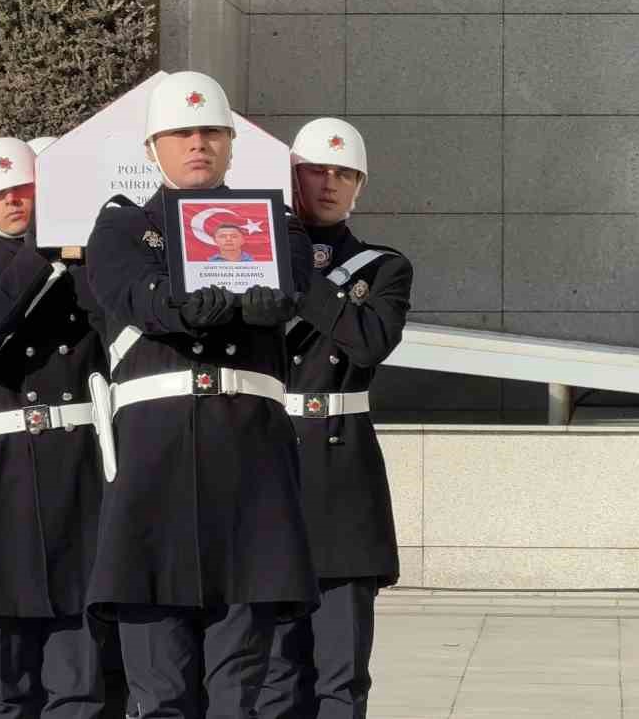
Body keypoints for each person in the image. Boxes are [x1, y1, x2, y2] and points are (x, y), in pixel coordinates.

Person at [85, 70, 318, 718]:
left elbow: (293, 288)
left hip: (248, 474)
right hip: (154, 480)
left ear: (232, 145)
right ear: (153, 149)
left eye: (211, 132)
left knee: (238, 695)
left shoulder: (280, 229)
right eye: (181, 133)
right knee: (159, 696)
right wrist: (181, 304)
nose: (198, 144)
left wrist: (274, 301)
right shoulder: (122, 230)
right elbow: (133, 296)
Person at [0, 136, 115, 718]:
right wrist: (37, 256)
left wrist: (74, 255)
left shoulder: (86, 265)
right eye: (0, 194)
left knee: (79, 663)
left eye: (26, 190)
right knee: (7, 666)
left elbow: (112, 327)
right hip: (5, 471)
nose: (14, 201)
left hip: (81, 469)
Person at [255, 118, 412, 719]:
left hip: (341, 470)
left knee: (341, 675)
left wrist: (300, 277)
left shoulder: (385, 267)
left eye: (343, 173)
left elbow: (370, 341)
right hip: (266, 461)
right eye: (315, 170)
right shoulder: (246, 254)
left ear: (359, 186)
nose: (328, 183)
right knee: (272, 674)